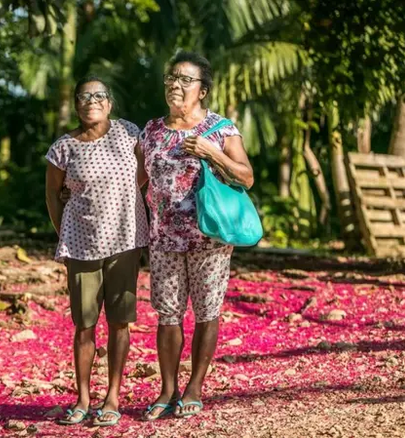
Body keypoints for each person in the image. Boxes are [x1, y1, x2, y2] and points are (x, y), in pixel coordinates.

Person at [137, 52, 254, 420]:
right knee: (167, 315)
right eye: (171, 77)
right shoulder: (152, 130)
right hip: (164, 239)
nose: (175, 84)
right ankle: (168, 389)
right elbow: (137, 180)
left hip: (210, 239)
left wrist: (210, 152)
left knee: (207, 312)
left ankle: (195, 387)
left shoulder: (221, 129)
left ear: (202, 90)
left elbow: (246, 176)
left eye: (185, 80)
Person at [45, 76, 149, 427]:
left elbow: (144, 172)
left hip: (125, 242)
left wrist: (122, 199)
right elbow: (52, 194)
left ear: (109, 103)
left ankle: (113, 398)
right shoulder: (64, 147)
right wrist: (66, 233)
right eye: (84, 96)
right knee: (84, 324)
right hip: (81, 246)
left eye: (99, 95)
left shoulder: (129, 132)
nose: (92, 100)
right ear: (76, 105)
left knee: (120, 321)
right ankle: (83, 399)